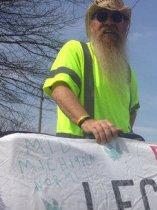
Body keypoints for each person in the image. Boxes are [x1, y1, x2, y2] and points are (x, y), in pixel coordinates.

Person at [43, 0, 139, 144]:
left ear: (126, 25)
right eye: (102, 16)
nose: (109, 22)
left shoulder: (128, 71)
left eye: (117, 18)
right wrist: (87, 122)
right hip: (78, 153)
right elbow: (60, 89)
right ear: (90, 24)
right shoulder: (76, 50)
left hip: (119, 157)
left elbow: (132, 111)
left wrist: (119, 141)